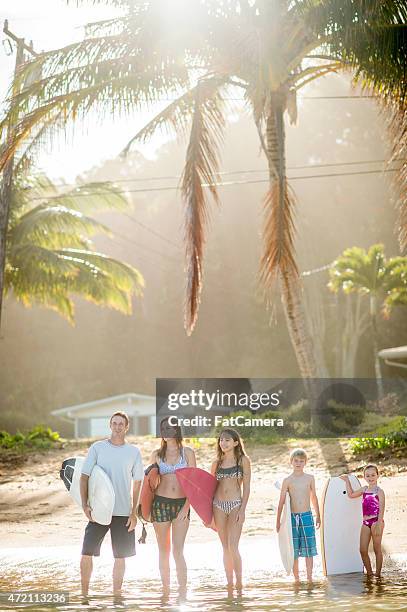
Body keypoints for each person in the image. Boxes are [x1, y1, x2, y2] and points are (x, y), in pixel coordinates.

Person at [79, 411, 144, 598]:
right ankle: (84, 595)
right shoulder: (97, 448)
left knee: (120, 556)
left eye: (120, 424)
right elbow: (84, 477)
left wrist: (134, 513)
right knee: (86, 552)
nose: (117, 427)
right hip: (99, 511)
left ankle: (117, 596)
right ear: (110, 425)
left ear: (126, 427)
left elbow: (138, 483)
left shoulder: (133, 452)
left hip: (123, 512)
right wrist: (85, 504)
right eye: (114, 423)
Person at [149, 418, 196, 596]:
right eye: (163, 428)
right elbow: (150, 483)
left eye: (170, 427)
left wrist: (187, 506)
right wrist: (144, 509)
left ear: (177, 430)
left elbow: (195, 483)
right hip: (160, 504)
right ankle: (166, 591)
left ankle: (182, 590)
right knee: (163, 550)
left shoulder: (188, 453)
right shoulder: (156, 454)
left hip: (181, 505)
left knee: (178, 550)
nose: (166, 431)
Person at [210, 428, 251, 593]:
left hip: (235, 504)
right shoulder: (216, 463)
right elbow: (209, 489)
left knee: (233, 546)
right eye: (221, 440)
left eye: (227, 440)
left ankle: (239, 583)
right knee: (224, 547)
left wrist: (243, 510)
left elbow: (247, 488)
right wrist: (208, 516)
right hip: (217, 505)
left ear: (235, 442)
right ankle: (229, 584)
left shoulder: (243, 460)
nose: (223, 443)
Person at [276, 448, 320, 583]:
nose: (298, 463)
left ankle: (309, 577)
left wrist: (318, 515)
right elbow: (282, 501)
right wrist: (278, 521)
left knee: (309, 548)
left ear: (305, 462)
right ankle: (296, 579)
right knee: (294, 549)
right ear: (291, 462)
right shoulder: (287, 480)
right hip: (292, 518)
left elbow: (314, 497)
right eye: (296, 461)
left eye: (301, 461)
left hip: (307, 516)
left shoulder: (310, 478)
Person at [340, 464, 385, 577]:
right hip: (365, 522)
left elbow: (382, 509)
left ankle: (378, 575)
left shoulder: (379, 491)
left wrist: (379, 524)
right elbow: (351, 495)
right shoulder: (364, 489)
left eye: (373, 475)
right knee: (363, 550)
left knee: (376, 548)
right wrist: (347, 481)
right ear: (364, 477)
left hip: (376, 521)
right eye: (368, 475)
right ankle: (370, 574)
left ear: (378, 475)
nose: (370, 478)